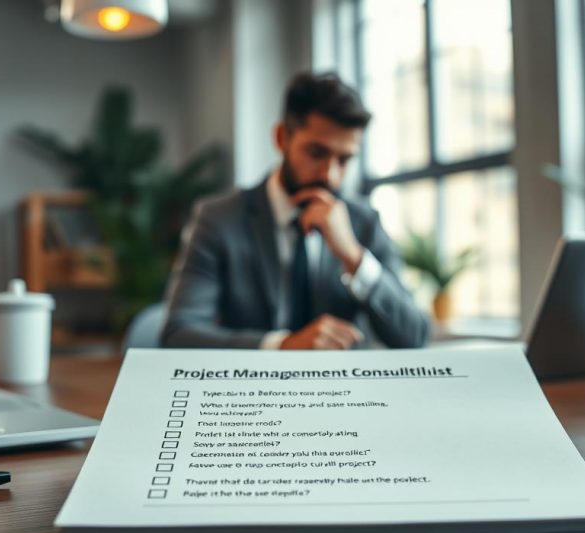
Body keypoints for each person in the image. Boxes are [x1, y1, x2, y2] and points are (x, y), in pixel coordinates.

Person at [160, 72, 430, 350]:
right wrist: (283, 346)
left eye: (345, 159)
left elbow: (415, 337)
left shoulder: (364, 223)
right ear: (281, 138)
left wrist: (353, 256)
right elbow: (179, 334)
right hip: (253, 391)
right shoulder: (218, 219)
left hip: (348, 391)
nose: (331, 175)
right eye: (317, 153)